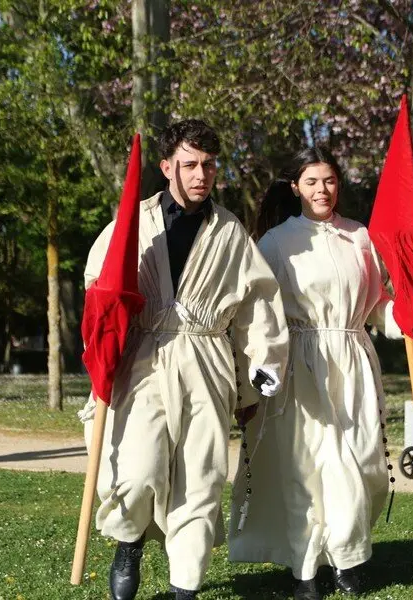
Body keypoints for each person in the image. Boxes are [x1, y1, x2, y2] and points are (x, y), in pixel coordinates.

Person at [81, 120, 288, 600]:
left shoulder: (230, 232)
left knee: (202, 476)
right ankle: (128, 542)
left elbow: (258, 306)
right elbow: (101, 287)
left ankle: (184, 587)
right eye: (191, 164)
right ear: (167, 165)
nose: (202, 175)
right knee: (135, 471)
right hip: (144, 359)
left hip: (207, 360)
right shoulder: (135, 223)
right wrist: (103, 338)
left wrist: (261, 366)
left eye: (210, 165)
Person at [228, 147, 401, 600]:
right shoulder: (276, 242)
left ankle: (344, 547)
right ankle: (314, 566)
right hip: (300, 362)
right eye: (311, 182)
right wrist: (260, 367)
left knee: (364, 464)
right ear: (295, 188)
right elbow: (258, 310)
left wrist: (410, 317)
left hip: (354, 356)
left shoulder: (361, 237)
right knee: (310, 466)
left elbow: (380, 305)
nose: (322, 190)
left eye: (328, 181)